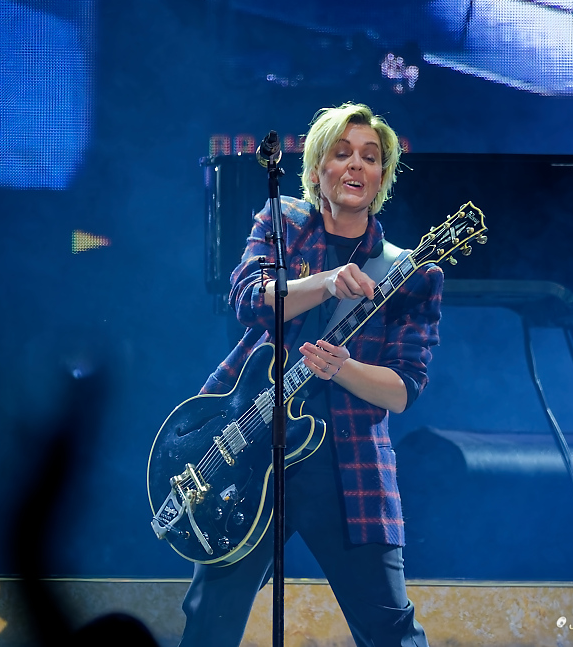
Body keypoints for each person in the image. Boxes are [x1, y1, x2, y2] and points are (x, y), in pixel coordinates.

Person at [178, 102, 443, 647]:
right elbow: (249, 300)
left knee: (390, 630)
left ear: (382, 177)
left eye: (370, 158)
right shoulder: (284, 225)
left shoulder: (410, 273)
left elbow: (404, 389)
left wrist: (343, 369)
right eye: (341, 153)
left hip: (349, 469)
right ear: (317, 167)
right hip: (250, 451)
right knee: (210, 620)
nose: (355, 166)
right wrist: (325, 282)